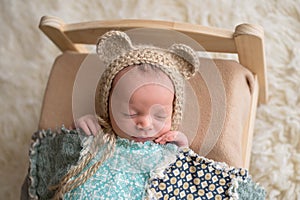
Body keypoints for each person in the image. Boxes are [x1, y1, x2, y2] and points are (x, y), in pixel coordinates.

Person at [52, 30, 265, 200]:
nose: (144, 123)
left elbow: (186, 176)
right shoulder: (102, 136)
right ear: (107, 108)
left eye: (160, 116)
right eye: (130, 112)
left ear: (174, 113)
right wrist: (81, 127)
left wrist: (181, 145)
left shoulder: (166, 146)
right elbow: (68, 154)